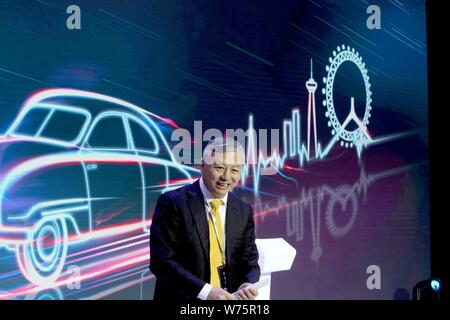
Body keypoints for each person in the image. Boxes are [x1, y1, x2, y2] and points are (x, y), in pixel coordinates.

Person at [150, 137, 260, 300]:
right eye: (220, 167)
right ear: (203, 165)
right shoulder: (173, 203)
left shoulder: (243, 210)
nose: (226, 177)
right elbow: (161, 262)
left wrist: (247, 283)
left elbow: (250, 261)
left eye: (235, 170)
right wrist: (205, 291)